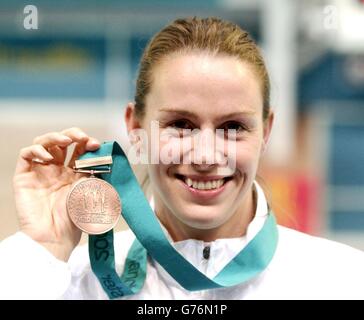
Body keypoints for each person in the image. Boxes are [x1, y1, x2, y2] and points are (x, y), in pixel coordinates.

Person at [1, 17, 364, 300]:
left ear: (265, 131)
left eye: (233, 126)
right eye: (181, 124)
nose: (205, 155)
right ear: (136, 127)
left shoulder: (342, 280)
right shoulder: (73, 282)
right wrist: (42, 251)